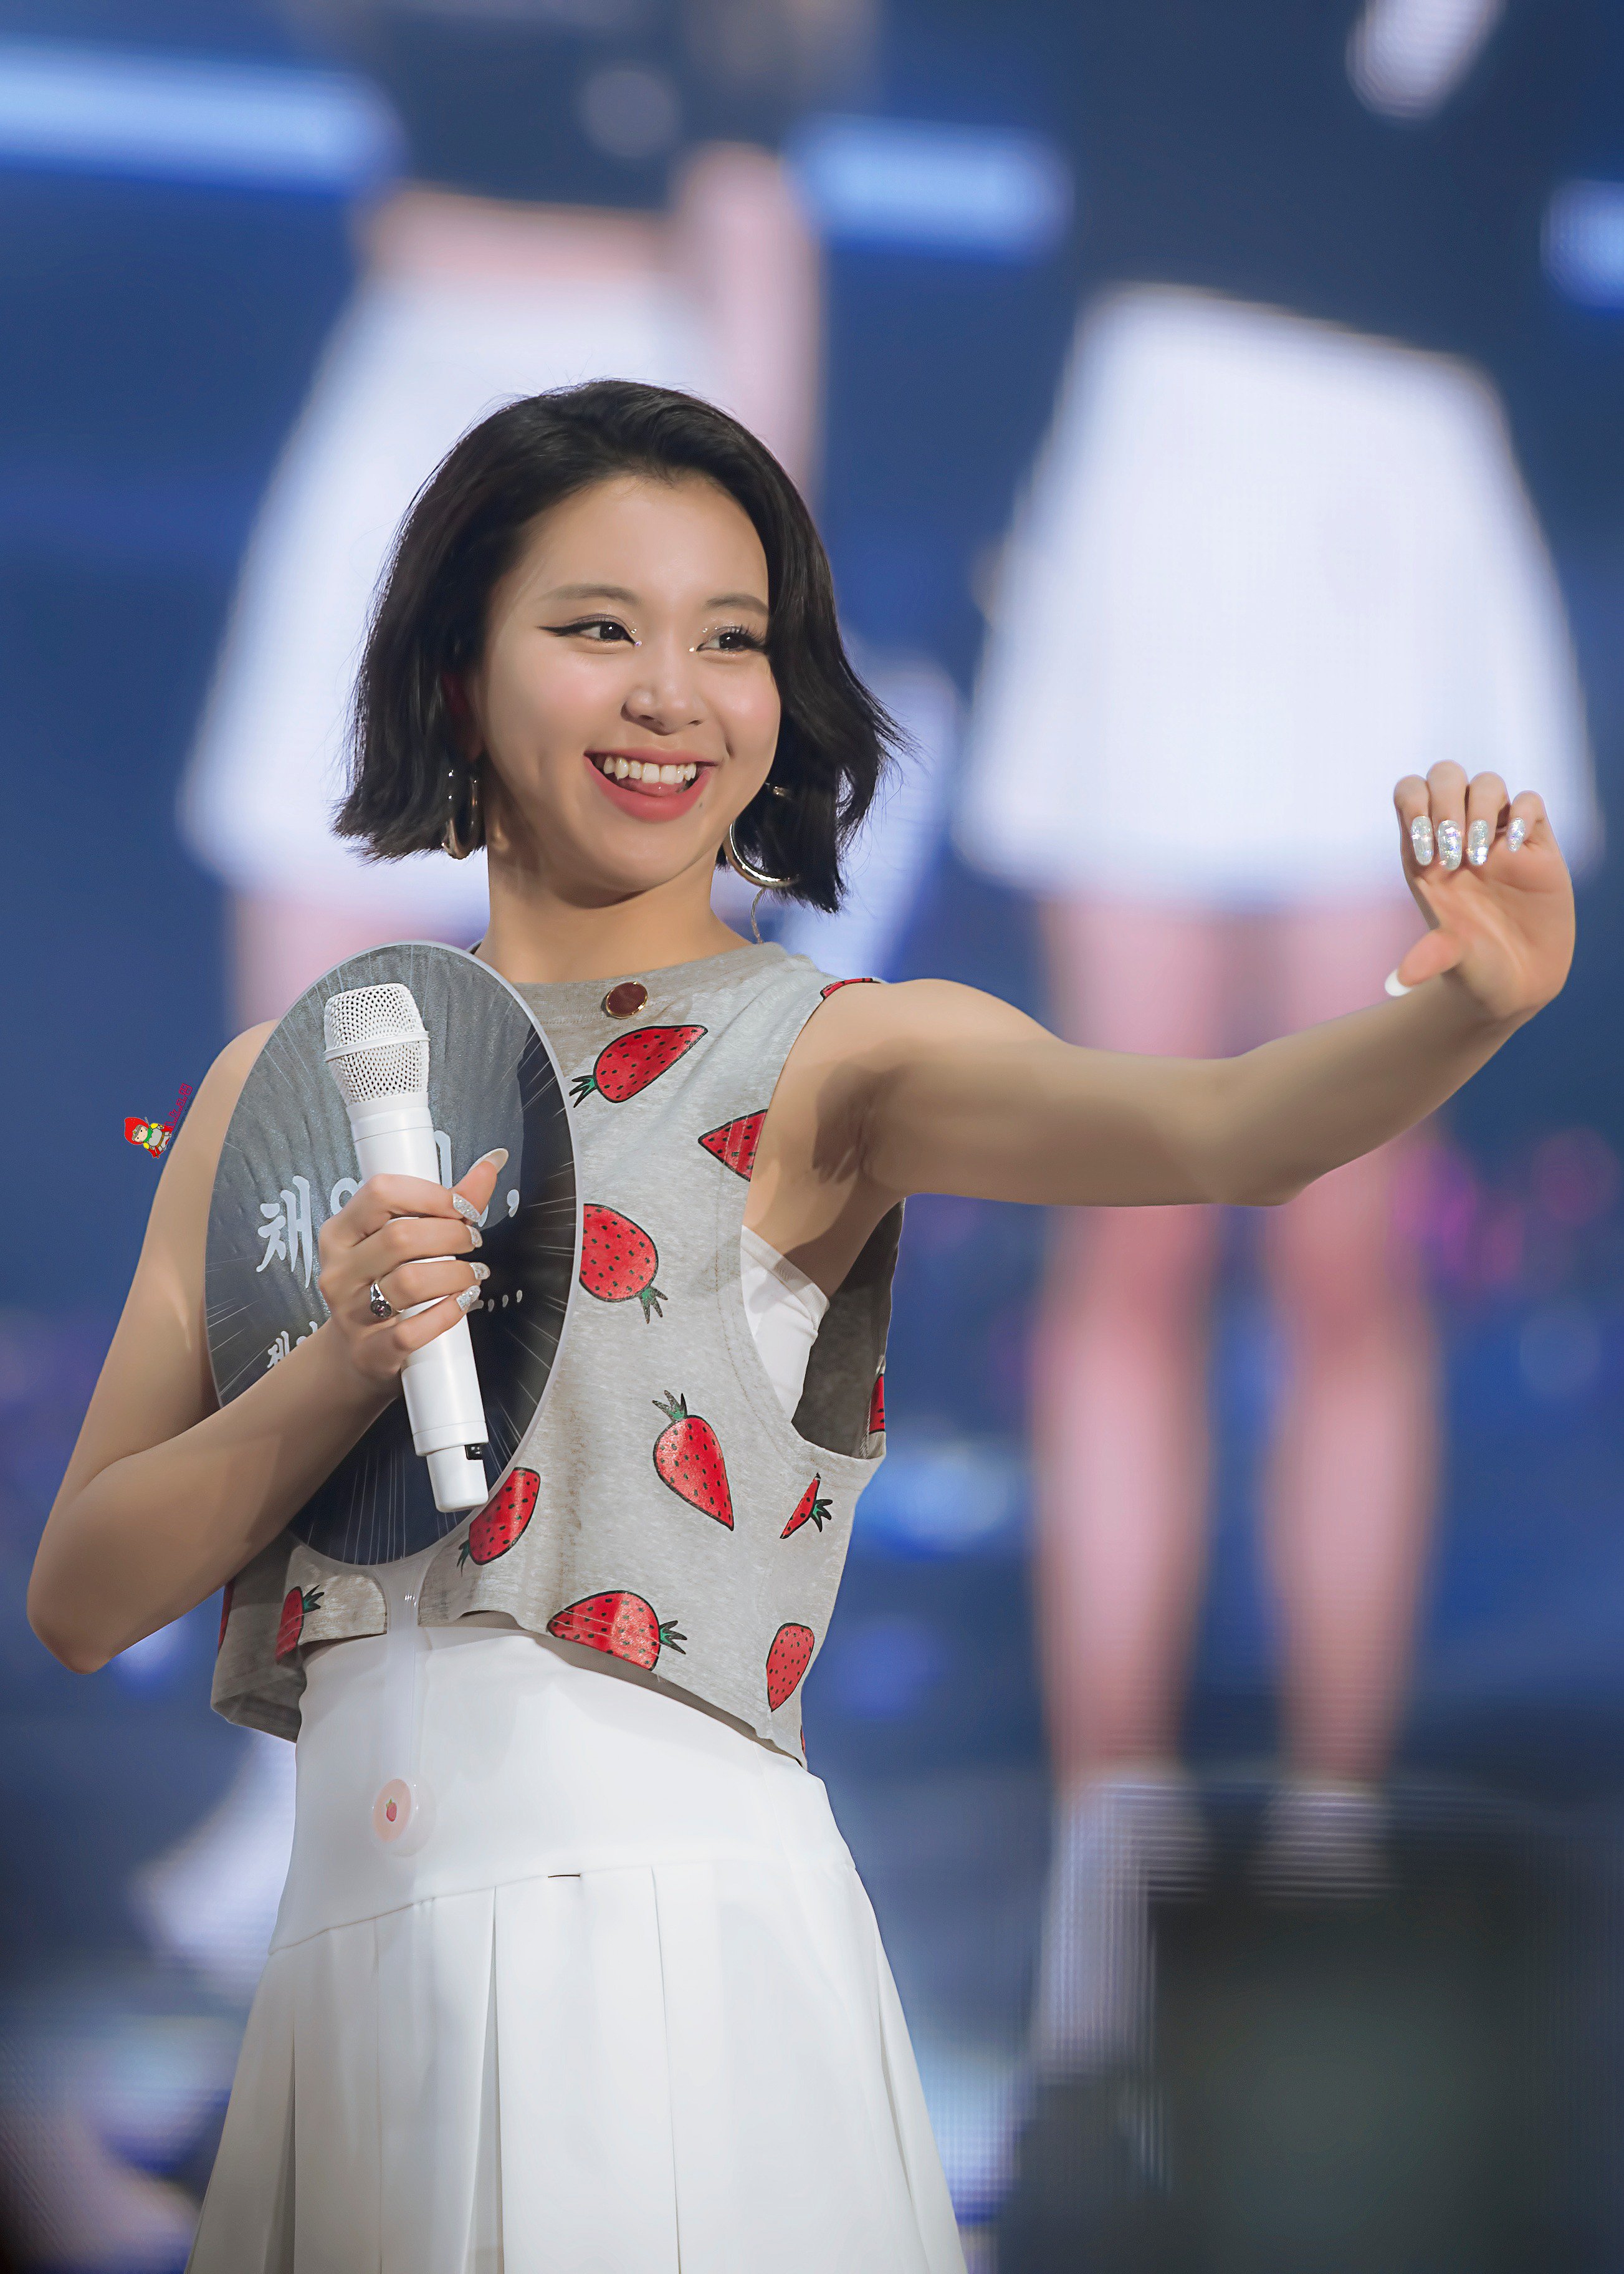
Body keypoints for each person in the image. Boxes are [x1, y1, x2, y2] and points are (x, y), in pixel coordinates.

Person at [29, 381, 1574, 2271]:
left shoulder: (830, 1058)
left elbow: (1221, 1134)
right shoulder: (281, 1092)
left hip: (665, 1977)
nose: (673, 695)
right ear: (455, 677)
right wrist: (342, 1369)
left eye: (732, 640)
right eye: (600, 627)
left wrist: (1459, 1011)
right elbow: (84, 1594)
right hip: (344, 1995)